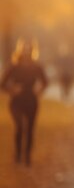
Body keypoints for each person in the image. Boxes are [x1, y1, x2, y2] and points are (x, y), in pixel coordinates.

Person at [1, 38, 48, 166]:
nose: (26, 51)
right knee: (20, 127)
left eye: (29, 49)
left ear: (32, 50)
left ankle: (27, 157)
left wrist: (39, 90)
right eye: (24, 49)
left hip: (31, 101)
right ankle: (17, 155)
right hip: (16, 102)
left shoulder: (37, 66)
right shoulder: (14, 66)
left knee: (30, 129)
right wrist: (12, 89)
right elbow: (2, 84)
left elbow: (45, 82)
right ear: (20, 50)